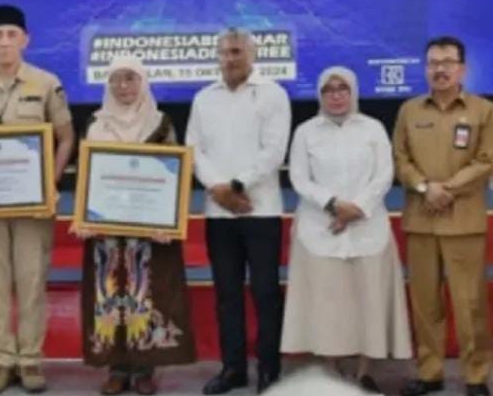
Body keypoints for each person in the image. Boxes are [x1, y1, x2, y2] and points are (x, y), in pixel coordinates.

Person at [0, 4, 75, 394]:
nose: (4, 42)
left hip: (33, 204)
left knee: (32, 279)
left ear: (26, 40)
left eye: (11, 35)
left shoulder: (46, 83)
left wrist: (50, 181)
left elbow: (66, 136)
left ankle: (30, 359)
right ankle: (0, 360)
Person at [281, 66, 412, 393]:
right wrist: (333, 205)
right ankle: (332, 371)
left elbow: (384, 174)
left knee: (369, 302)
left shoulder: (373, 128)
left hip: (367, 227)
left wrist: (357, 209)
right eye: (329, 90)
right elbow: (299, 178)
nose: (336, 96)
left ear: (353, 92)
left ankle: (366, 373)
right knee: (328, 306)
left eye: (343, 89)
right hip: (321, 228)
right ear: (320, 94)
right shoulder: (305, 132)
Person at [73, 56, 195, 396]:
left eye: (131, 78)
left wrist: (168, 220)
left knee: (150, 295)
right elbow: (86, 175)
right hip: (106, 231)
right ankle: (116, 368)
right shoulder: (95, 124)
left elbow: (174, 174)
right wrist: (84, 217)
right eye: (116, 79)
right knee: (109, 295)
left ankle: (144, 368)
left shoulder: (161, 123)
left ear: (143, 82)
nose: (123, 86)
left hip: (151, 231)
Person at [185, 27, 291, 394]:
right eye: (225, 52)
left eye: (237, 52)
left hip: (261, 211)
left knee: (265, 292)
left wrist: (235, 186)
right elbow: (194, 150)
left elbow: (273, 152)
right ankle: (233, 369)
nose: (230, 59)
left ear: (252, 55)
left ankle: (269, 369)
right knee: (226, 294)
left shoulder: (274, 94)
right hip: (218, 214)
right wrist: (219, 190)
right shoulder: (204, 98)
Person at [393, 36, 493, 396]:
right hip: (421, 221)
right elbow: (400, 159)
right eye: (433, 63)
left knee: (470, 305)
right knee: (425, 304)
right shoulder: (410, 110)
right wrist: (424, 188)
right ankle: (430, 372)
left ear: (462, 69)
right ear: (425, 69)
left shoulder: (484, 110)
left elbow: (486, 160)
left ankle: (476, 377)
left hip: (463, 222)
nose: (440, 69)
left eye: (447, 62)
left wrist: (446, 188)